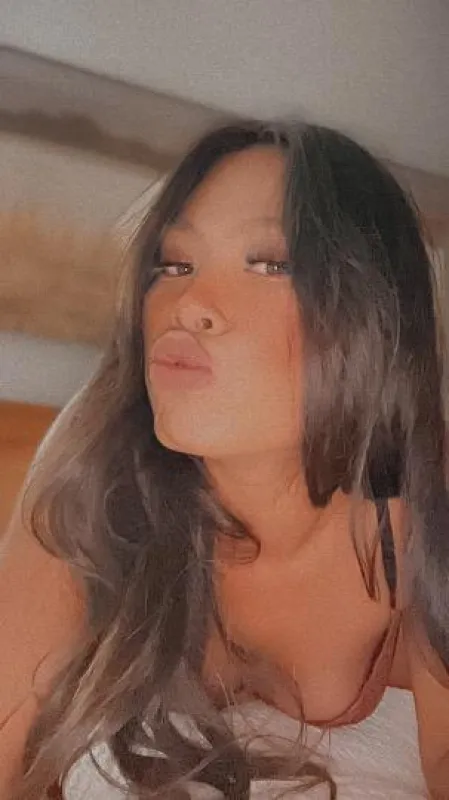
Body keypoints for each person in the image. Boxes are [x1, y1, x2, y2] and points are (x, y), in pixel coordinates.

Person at [1, 120, 448, 800]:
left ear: (371, 317)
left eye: (269, 264)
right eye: (173, 265)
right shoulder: (99, 468)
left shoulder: (430, 503)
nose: (189, 306)